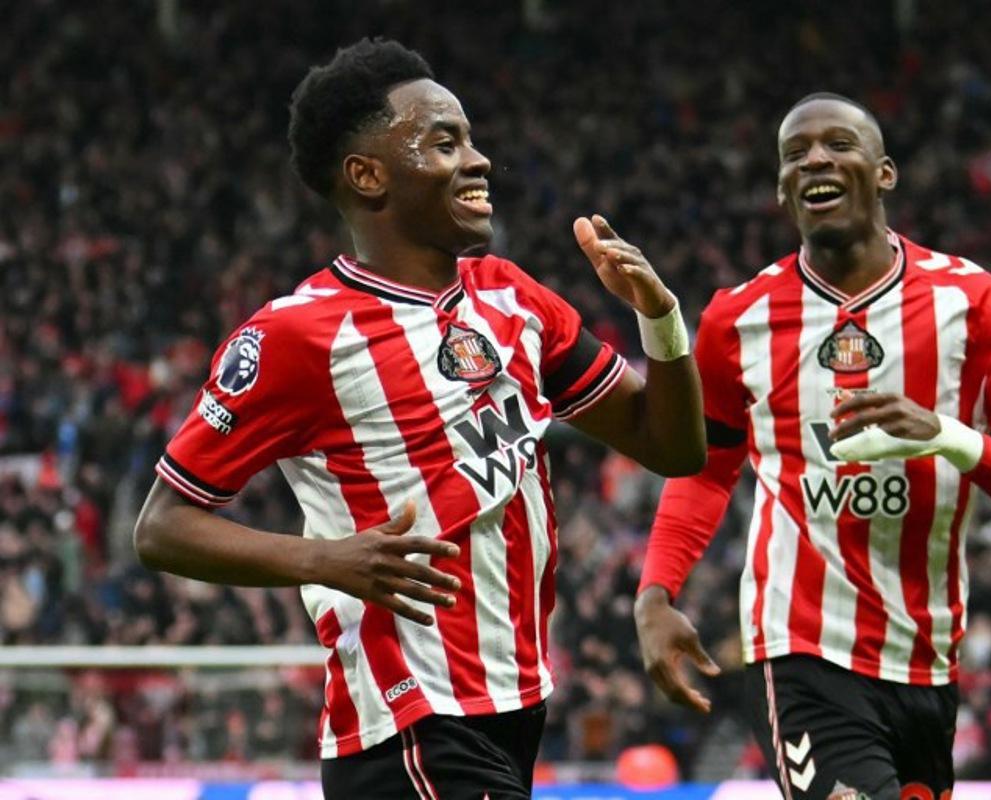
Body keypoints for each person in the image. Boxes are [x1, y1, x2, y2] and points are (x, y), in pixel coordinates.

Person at [133, 39, 705, 800]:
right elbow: (163, 527)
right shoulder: (298, 337)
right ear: (368, 175)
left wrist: (660, 320)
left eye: (469, 139)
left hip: (518, 701)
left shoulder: (512, 298)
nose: (479, 161)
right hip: (409, 723)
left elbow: (671, 446)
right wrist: (326, 558)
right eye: (444, 143)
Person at [633, 93, 991, 800]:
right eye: (795, 154)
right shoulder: (737, 318)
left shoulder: (977, 304)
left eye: (839, 145)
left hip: (927, 660)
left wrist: (949, 436)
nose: (816, 158)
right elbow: (704, 469)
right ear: (782, 191)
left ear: (884, 174)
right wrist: (657, 591)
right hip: (800, 646)